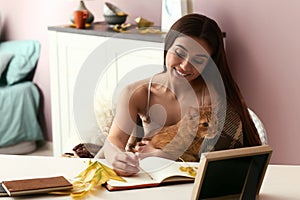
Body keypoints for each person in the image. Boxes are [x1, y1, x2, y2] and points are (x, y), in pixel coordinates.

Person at [96, 13, 262, 176]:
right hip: (152, 179)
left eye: (198, 60)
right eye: (180, 53)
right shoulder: (138, 93)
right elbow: (113, 142)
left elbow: (221, 160)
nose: (184, 66)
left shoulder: (215, 97)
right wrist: (117, 157)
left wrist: (161, 155)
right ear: (167, 46)